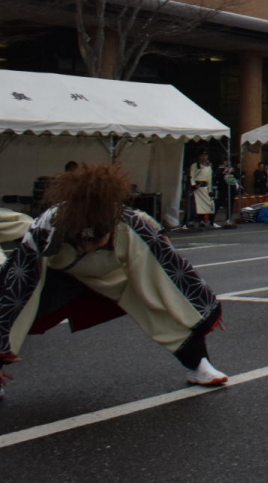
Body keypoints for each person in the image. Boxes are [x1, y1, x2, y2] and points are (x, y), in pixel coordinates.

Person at [0, 164, 226, 401]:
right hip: (57, 277)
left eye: (97, 239)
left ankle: (198, 365)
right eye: (83, 239)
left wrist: (205, 309)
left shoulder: (132, 223)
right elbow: (18, 281)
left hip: (111, 277)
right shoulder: (46, 226)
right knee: (14, 310)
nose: (90, 246)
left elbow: (173, 268)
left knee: (159, 304)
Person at [187, 152, 215, 230]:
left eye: (205, 156)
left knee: (208, 205)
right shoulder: (195, 165)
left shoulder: (208, 167)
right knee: (195, 206)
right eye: (202, 155)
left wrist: (210, 190)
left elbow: (209, 179)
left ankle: (202, 220)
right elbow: (192, 176)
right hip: (197, 188)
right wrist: (193, 185)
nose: (204, 157)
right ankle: (191, 221)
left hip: (205, 188)